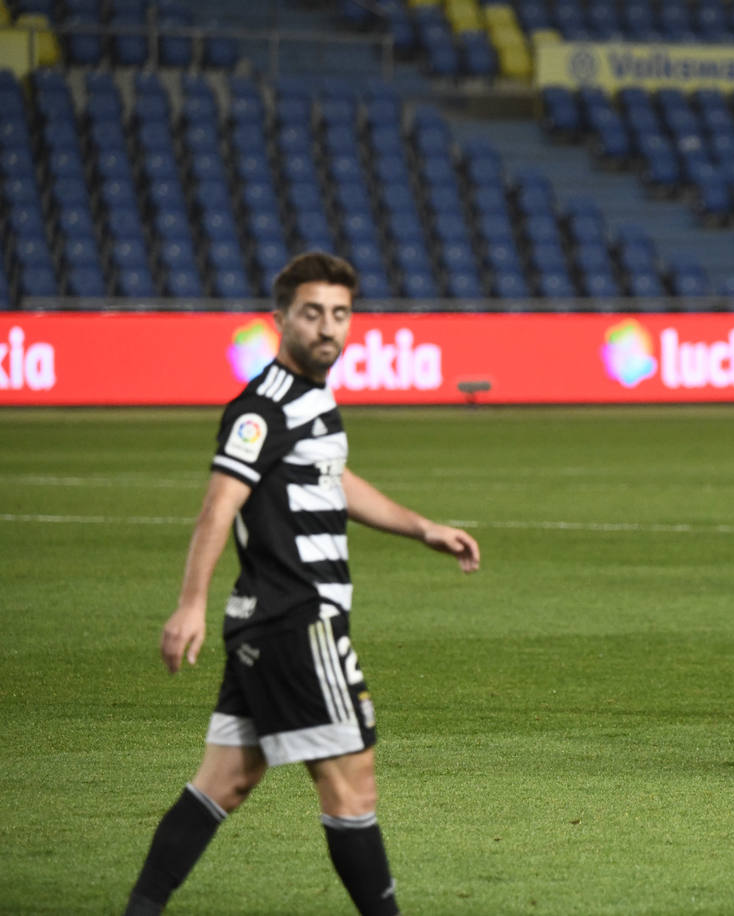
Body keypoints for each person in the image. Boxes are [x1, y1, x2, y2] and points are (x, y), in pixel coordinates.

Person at [123, 252, 481, 915]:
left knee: (224, 782)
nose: (328, 328)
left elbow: (333, 481)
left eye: (340, 314)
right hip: (299, 620)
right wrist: (190, 604)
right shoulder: (262, 407)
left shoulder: (314, 399)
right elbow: (218, 505)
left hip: (267, 625)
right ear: (282, 317)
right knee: (353, 788)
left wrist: (422, 528)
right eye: (312, 313)